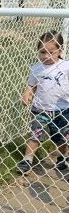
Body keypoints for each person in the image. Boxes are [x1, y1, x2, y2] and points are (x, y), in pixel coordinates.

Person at [18, 31, 69, 174]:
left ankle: (62, 158)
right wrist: (27, 94)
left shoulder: (66, 66)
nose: (46, 56)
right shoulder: (36, 68)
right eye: (42, 52)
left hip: (62, 110)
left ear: (60, 50)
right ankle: (27, 160)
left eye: (51, 52)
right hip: (40, 109)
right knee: (35, 135)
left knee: (61, 138)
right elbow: (31, 85)